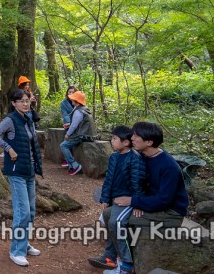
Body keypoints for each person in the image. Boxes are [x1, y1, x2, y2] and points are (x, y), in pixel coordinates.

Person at [108, 121, 189, 274]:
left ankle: (126, 265)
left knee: (116, 221)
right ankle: (112, 256)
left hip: (170, 213)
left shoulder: (168, 166)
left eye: (136, 135)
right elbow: (140, 183)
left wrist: (134, 201)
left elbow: (164, 200)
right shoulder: (143, 157)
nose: (132, 138)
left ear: (149, 142)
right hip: (149, 203)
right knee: (108, 214)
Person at [0, 88, 44, 267]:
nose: (25, 103)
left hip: (28, 171)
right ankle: (16, 251)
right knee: (23, 212)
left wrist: (32, 106)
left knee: (32, 211)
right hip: (16, 172)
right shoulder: (10, 120)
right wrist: (9, 149)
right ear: (13, 103)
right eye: (21, 101)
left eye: (27, 100)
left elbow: (36, 118)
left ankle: (24, 243)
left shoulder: (28, 118)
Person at [88, 125, 146, 271]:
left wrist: (137, 202)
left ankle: (127, 261)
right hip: (114, 199)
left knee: (116, 223)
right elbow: (108, 179)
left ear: (126, 142)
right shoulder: (114, 157)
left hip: (127, 200)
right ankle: (109, 256)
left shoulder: (135, 158)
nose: (111, 141)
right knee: (109, 222)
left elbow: (137, 182)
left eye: (114, 138)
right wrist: (105, 197)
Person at [60, 90, 93, 175]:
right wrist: (69, 124)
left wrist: (67, 134)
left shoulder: (78, 111)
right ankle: (71, 165)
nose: (71, 100)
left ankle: (75, 165)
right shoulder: (84, 109)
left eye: (73, 99)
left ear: (77, 102)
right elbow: (77, 123)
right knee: (64, 144)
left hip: (81, 135)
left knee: (63, 145)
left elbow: (74, 126)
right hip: (85, 133)